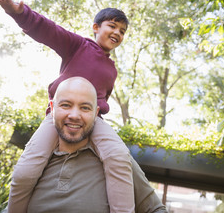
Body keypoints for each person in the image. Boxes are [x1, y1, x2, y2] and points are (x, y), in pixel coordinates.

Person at [0, 0, 134, 213]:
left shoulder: (112, 70)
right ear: (96, 27)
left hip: (94, 122)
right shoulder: (79, 46)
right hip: (58, 120)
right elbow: (49, 30)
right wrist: (19, 13)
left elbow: (102, 101)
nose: (117, 33)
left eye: (122, 31)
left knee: (119, 157)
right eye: (112, 26)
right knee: (25, 170)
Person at [27, 77, 168, 212]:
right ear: (52, 108)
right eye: (66, 105)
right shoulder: (35, 162)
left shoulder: (117, 161)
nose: (74, 115)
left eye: (85, 108)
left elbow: (156, 209)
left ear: (96, 114)